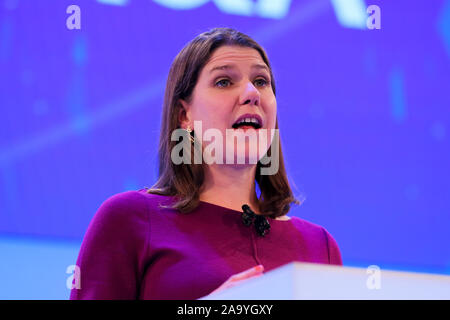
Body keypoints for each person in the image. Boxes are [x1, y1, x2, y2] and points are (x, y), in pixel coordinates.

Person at [70, 27, 342, 300]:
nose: (251, 93)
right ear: (184, 115)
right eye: (224, 81)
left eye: (261, 81)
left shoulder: (320, 248)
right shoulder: (129, 219)